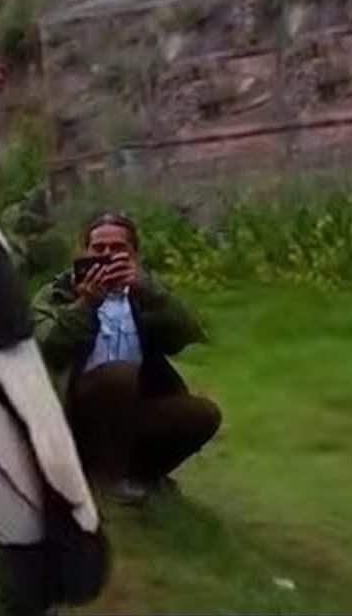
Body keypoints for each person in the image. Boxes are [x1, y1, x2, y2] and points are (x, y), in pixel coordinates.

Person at [32, 212, 221, 505]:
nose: (107, 255)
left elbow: (185, 335)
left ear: (134, 255)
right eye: (99, 248)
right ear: (84, 253)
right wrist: (86, 304)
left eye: (118, 248)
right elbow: (48, 346)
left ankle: (142, 476)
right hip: (72, 411)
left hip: (132, 405)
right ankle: (105, 481)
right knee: (118, 374)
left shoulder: (144, 294)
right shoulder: (56, 295)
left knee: (203, 414)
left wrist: (152, 294)